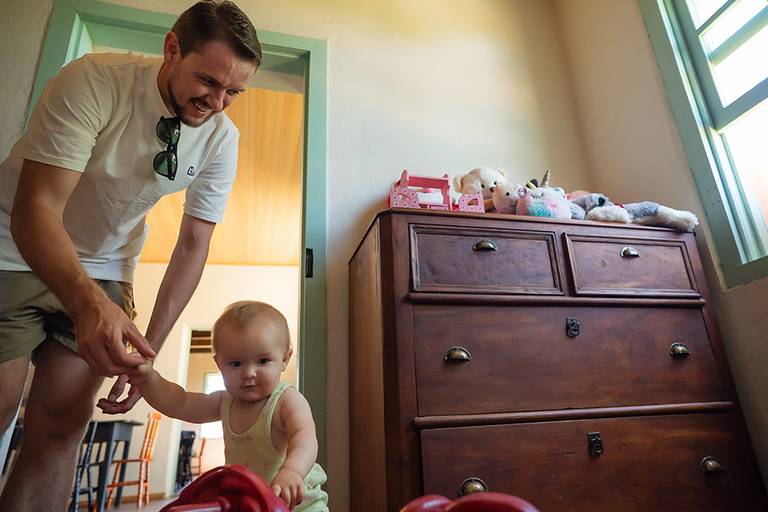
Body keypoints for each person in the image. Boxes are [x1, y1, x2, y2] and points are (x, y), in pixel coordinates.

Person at [0, 1, 261, 509]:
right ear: (171, 49)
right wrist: (89, 307)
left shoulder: (221, 138)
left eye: (234, 91)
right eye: (208, 81)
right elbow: (38, 207)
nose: (218, 102)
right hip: (13, 247)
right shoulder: (96, 81)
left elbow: (193, 244)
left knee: (60, 427)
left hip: (107, 265)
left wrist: (149, 355)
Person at [128, 301, 328, 511]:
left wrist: (293, 471)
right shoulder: (224, 402)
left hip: (299, 504)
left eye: (262, 361)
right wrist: (148, 379)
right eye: (235, 364)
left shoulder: (286, 400)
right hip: (251, 504)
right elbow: (180, 403)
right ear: (219, 364)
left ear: (284, 359)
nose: (249, 372)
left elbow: (304, 437)